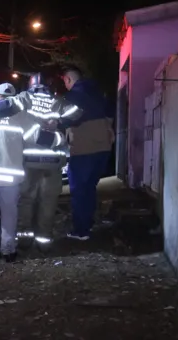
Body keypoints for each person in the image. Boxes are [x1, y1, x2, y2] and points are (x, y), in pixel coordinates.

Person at [0, 72, 69, 252]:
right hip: (19, 172)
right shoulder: (23, 116)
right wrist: (60, 139)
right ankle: (17, 248)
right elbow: (38, 136)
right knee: (19, 211)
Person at [56, 65, 114, 240]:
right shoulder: (99, 92)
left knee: (79, 190)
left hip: (84, 149)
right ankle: (87, 223)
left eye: (64, 82)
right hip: (103, 148)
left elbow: (66, 120)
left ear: (68, 79)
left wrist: (57, 124)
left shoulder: (72, 96)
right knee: (89, 188)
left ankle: (81, 230)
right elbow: (111, 112)